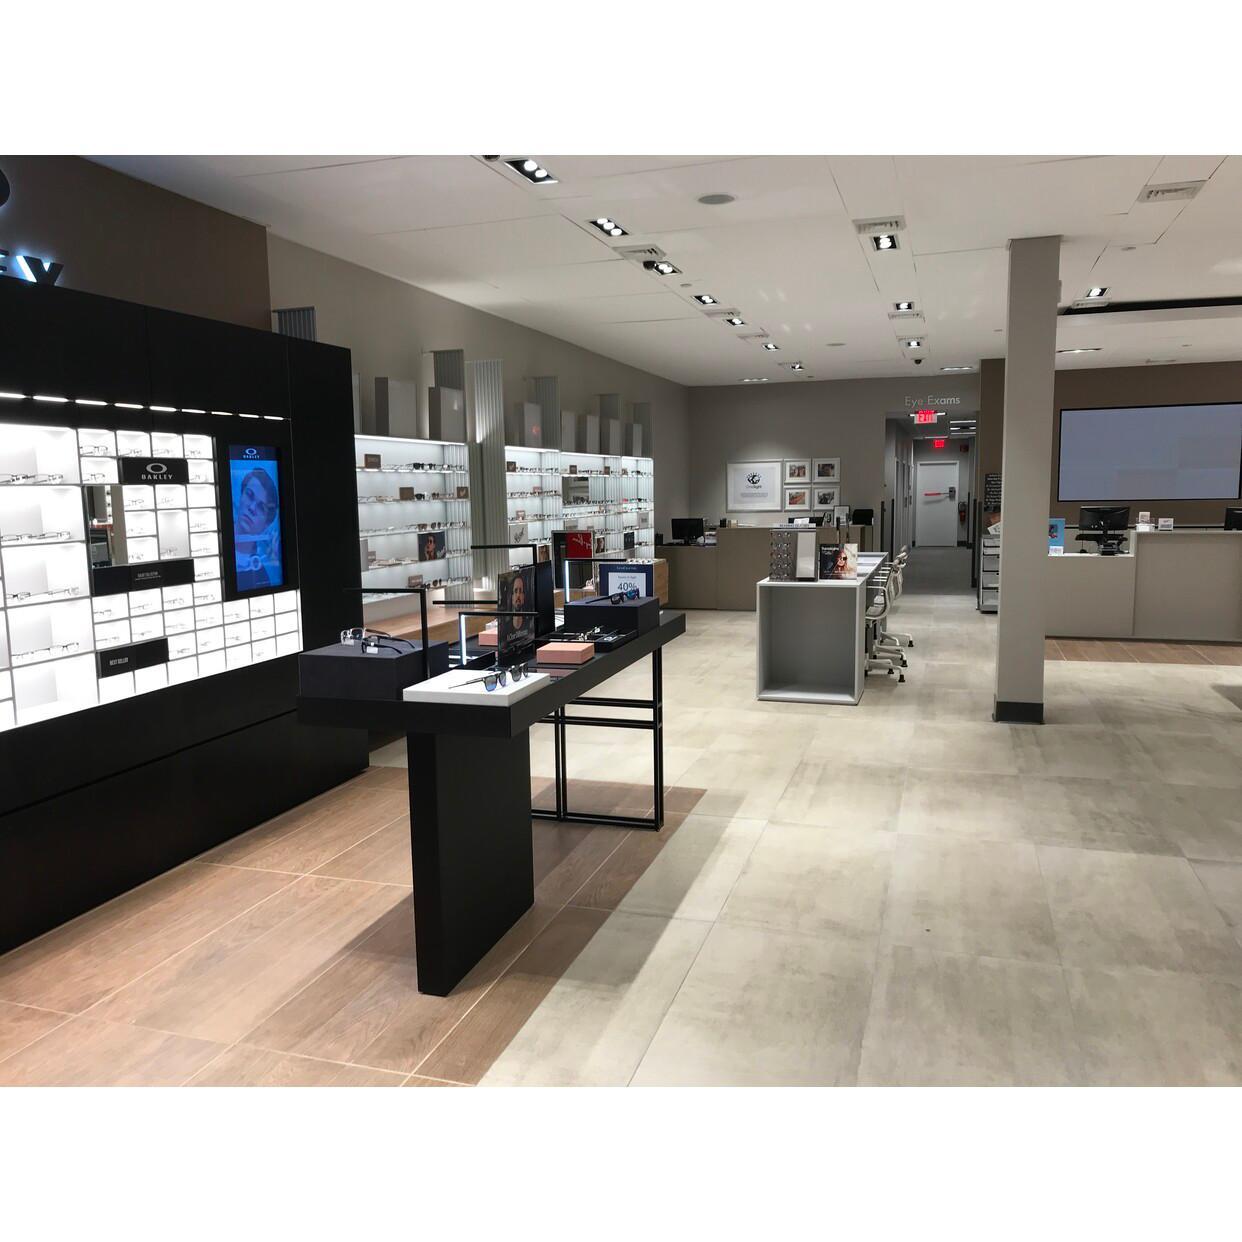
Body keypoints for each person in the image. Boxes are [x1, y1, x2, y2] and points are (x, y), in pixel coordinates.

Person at [234, 466, 281, 589]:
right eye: (249, 495)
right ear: (241, 496)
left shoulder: (261, 578)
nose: (252, 508)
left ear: (266, 524)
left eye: (261, 507)